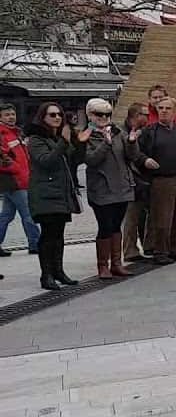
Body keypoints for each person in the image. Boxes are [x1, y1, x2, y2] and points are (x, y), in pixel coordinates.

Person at [26, 102, 89, 290]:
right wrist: (63, 141)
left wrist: (79, 143)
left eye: (59, 115)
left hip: (60, 193)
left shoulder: (57, 138)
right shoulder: (36, 139)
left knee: (58, 234)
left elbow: (74, 160)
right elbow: (47, 161)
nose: (57, 118)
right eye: (52, 115)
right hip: (45, 194)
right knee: (48, 234)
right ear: (42, 117)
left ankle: (58, 271)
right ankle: (46, 275)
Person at [138, 97, 176, 265]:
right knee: (162, 218)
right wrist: (145, 160)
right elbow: (136, 153)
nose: (164, 111)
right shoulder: (150, 132)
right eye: (161, 108)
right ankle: (161, 251)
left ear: (175, 111)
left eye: (167, 108)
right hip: (161, 180)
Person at [82, 98, 137, 279]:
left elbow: (131, 157)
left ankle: (116, 263)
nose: (104, 117)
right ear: (90, 115)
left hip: (121, 187)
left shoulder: (118, 132)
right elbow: (91, 160)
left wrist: (131, 142)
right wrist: (105, 143)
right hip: (101, 189)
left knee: (116, 226)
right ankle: (102, 266)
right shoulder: (87, 135)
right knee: (105, 226)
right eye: (99, 114)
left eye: (107, 114)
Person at [0, 102, 40, 257]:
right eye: (7, 115)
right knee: (29, 213)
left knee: (7, 215)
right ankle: (35, 244)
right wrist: (17, 170)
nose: (11, 117)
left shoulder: (15, 132)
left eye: (13, 114)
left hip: (17, 180)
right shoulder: (4, 133)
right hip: (16, 181)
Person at [121, 104, 151, 263]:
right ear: (135, 115)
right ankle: (130, 250)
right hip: (130, 180)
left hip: (143, 178)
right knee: (131, 217)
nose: (147, 117)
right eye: (144, 114)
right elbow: (131, 155)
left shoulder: (145, 131)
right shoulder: (122, 132)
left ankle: (148, 245)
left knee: (144, 215)